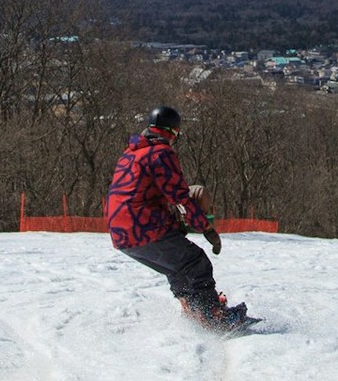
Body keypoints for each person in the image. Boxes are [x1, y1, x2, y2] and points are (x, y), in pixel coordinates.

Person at [106, 105, 247, 331]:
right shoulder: (160, 152)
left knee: (177, 267)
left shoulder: (131, 153)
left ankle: (193, 308)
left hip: (120, 233)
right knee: (196, 261)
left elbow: (141, 195)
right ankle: (214, 317)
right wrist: (207, 229)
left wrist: (173, 224)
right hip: (141, 226)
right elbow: (179, 195)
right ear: (173, 133)